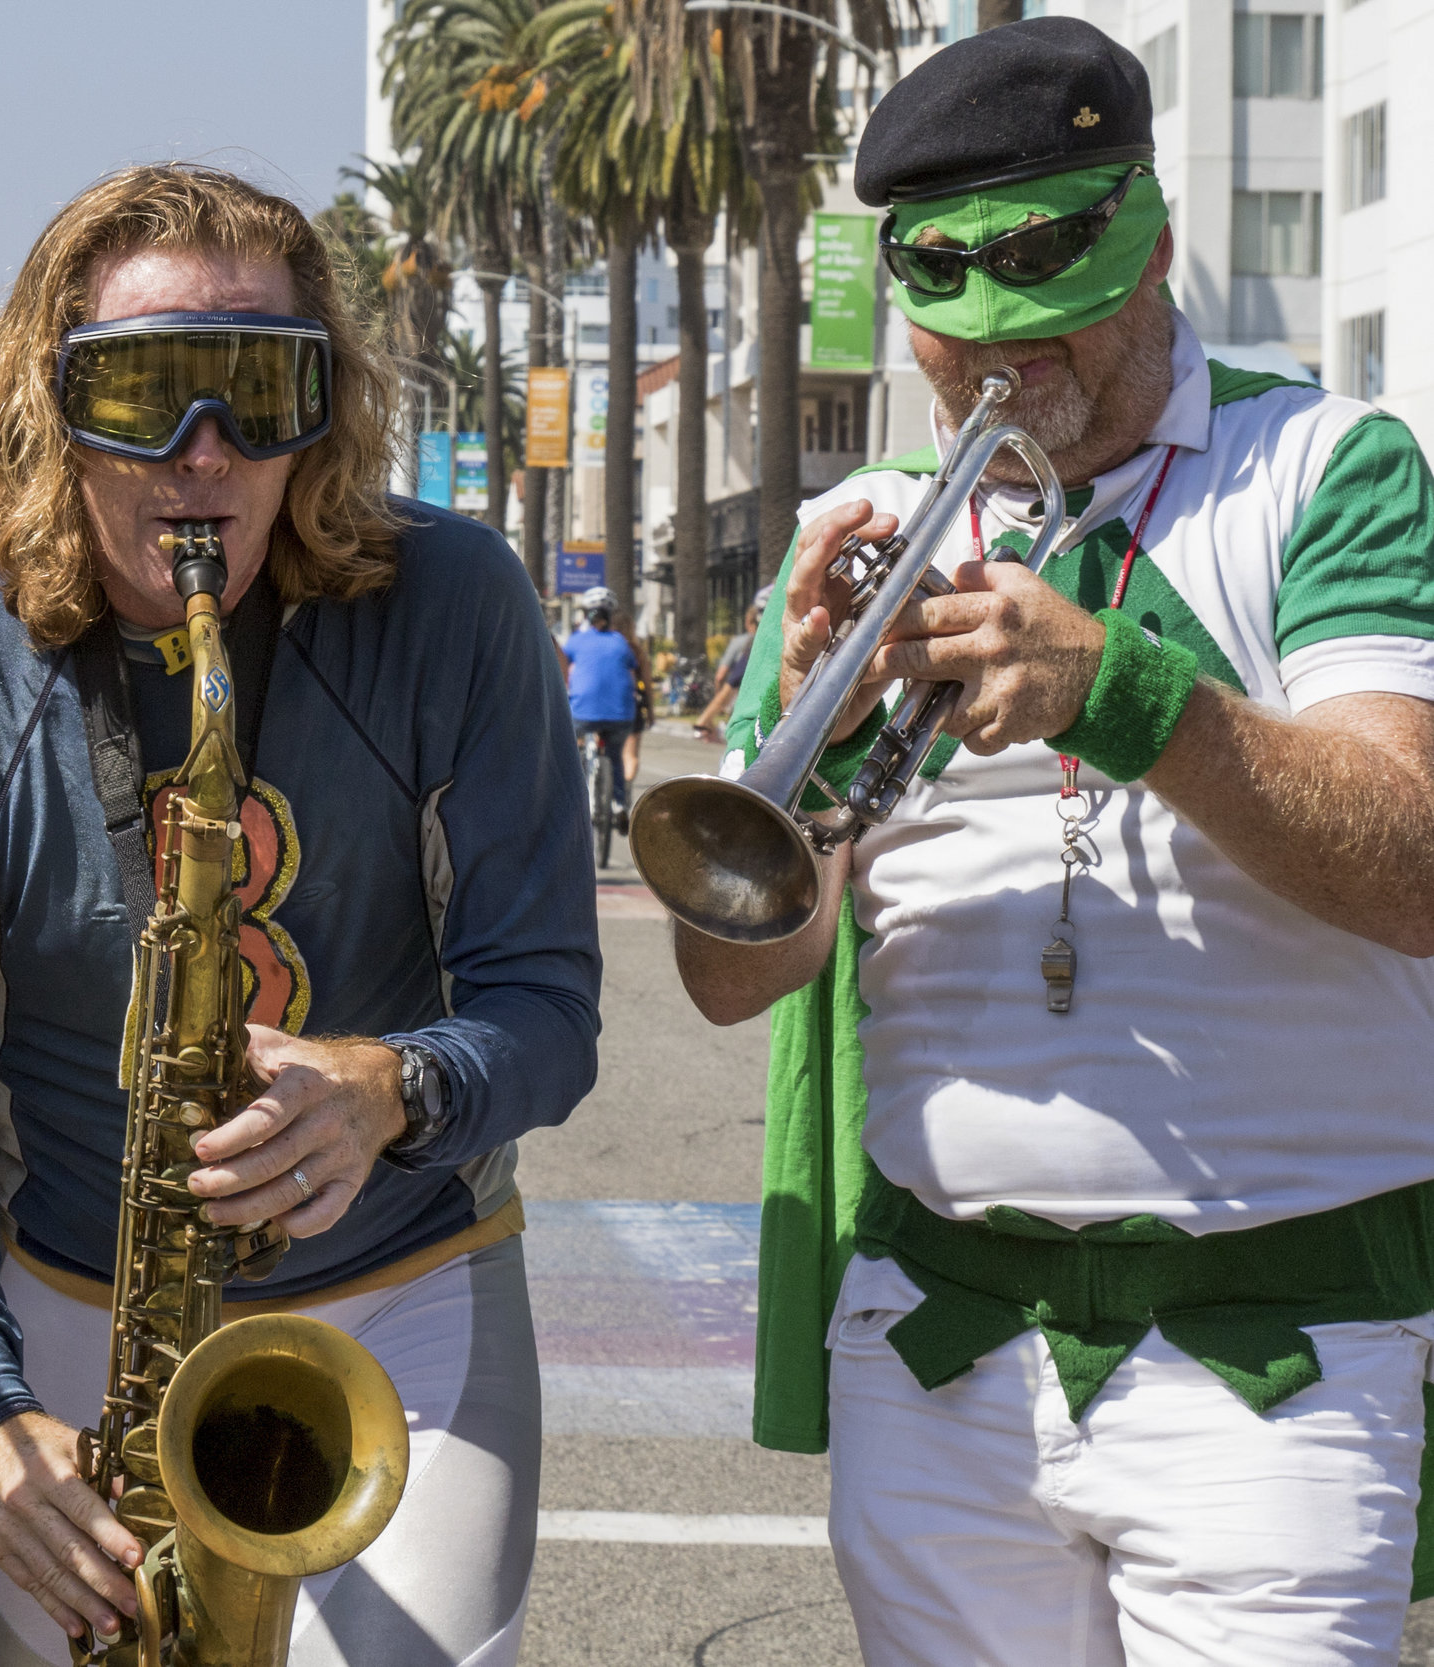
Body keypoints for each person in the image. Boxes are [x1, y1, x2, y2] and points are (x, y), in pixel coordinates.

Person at [676, 20, 1434, 1664]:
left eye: (1052, 317)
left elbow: (1415, 868)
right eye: (956, 337)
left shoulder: (1321, 470)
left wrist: (1128, 693)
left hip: (1275, 1352)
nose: (1004, 375)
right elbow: (734, 980)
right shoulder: (846, 532)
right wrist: (801, 743)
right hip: (940, 1354)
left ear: (1155, 244)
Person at [0, 164, 598, 1667]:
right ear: (51, 407)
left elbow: (549, 1007)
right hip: (60, 1321)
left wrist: (395, 1086)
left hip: (404, 1296)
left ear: (332, 406)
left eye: (259, 392)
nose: (207, 454)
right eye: (144, 395)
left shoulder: (457, 598)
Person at [562, 586, 639, 832]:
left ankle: (576, 799)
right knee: (615, 756)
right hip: (620, 714)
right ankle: (618, 805)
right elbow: (632, 669)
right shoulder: (620, 642)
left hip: (582, 712)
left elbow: (562, 672)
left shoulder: (575, 641)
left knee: (574, 753)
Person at [689, 589, 766, 744]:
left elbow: (724, 677)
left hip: (740, 702)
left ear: (750, 621)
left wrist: (713, 709)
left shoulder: (747, 644)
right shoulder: (767, 644)